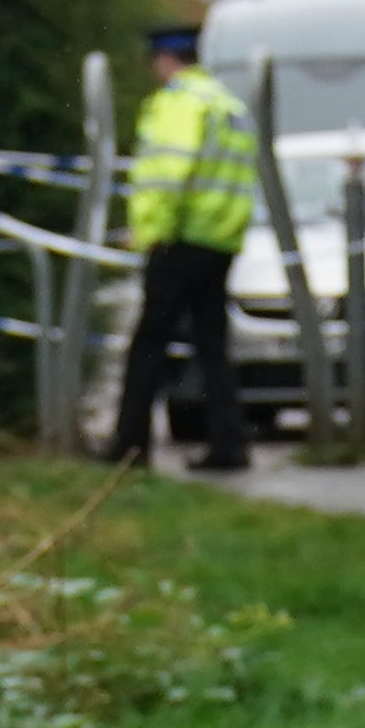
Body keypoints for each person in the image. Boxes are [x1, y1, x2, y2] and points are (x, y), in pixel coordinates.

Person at [105, 26, 255, 470]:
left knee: (149, 340)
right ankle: (229, 444)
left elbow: (168, 175)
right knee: (212, 344)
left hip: (180, 238)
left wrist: (148, 231)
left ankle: (130, 446)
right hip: (220, 239)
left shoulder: (179, 103)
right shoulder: (228, 105)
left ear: (165, 60)